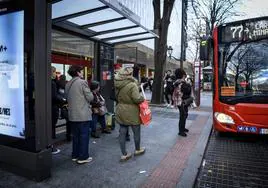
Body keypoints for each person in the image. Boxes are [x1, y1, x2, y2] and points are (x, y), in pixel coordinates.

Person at [114, 67, 146, 162]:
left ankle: (124, 154)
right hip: (132, 110)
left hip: (120, 109)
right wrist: (142, 98)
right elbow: (136, 98)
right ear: (128, 75)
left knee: (122, 132)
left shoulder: (117, 83)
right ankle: (137, 149)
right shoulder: (132, 85)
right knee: (136, 131)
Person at [65, 65, 94, 164]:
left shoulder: (68, 83)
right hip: (82, 114)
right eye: (81, 71)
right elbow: (90, 98)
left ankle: (75, 155)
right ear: (78, 72)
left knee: (76, 136)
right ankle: (83, 157)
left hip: (72, 114)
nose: (82, 73)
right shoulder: (82, 82)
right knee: (84, 136)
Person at [173, 68, 193, 137]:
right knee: (182, 116)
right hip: (181, 102)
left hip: (180, 101)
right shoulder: (181, 83)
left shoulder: (177, 82)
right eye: (184, 75)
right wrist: (189, 84)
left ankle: (183, 128)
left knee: (184, 115)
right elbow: (187, 91)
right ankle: (181, 131)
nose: (185, 76)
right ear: (182, 75)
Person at [51, 66, 64, 154]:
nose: (56, 74)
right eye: (55, 72)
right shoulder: (52, 83)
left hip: (49, 107)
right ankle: (51, 146)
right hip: (53, 107)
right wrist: (63, 100)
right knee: (51, 126)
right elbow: (54, 96)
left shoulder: (53, 82)